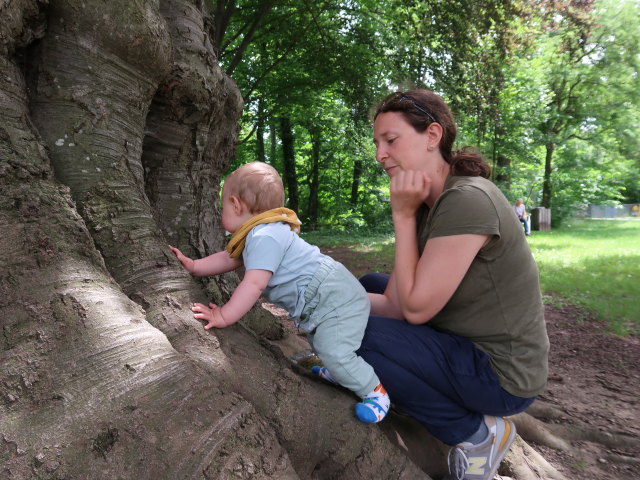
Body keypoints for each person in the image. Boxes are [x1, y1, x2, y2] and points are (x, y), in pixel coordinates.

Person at [357, 90, 549, 480]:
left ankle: (476, 434)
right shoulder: (434, 202)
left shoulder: (466, 199)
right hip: (467, 347)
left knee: (358, 333)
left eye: (391, 141)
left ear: (432, 135)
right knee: (367, 286)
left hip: (502, 375)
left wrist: (402, 217)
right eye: (377, 144)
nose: (380, 155)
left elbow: (414, 310)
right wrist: (324, 299)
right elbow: (395, 300)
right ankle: (403, 386)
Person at [169, 161, 390, 423]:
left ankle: (375, 392)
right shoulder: (258, 233)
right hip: (327, 295)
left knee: (335, 350)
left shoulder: (265, 237)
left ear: (236, 204)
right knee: (322, 344)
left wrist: (224, 316)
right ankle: (340, 372)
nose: (220, 214)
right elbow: (230, 258)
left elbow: (254, 284)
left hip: (334, 296)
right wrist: (194, 266)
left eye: (223, 208)